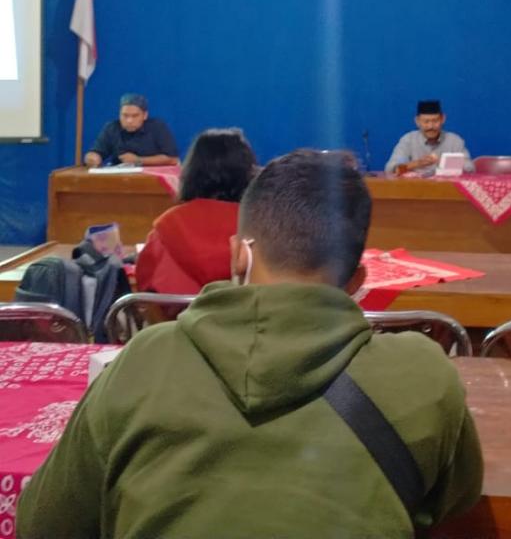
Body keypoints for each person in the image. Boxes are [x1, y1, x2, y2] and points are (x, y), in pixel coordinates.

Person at [18, 150, 483, 539]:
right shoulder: (424, 376)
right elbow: (457, 501)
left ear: (240, 252)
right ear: (359, 280)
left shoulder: (142, 363)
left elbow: (41, 525)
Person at [136, 128, 258, 294]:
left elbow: (146, 285)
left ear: (192, 171)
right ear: (248, 172)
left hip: (181, 318)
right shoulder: (261, 226)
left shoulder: (169, 224)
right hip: (247, 317)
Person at [84, 93, 178, 167]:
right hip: (121, 180)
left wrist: (139, 160)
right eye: (125, 115)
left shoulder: (157, 127)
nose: (129, 121)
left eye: (135, 116)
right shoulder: (112, 128)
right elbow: (96, 152)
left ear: (145, 115)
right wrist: (92, 158)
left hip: (153, 178)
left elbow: (173, 159)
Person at [385, 99, 473, 175]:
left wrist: (444, 164)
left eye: (435, 121)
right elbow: (390, 169)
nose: (431, 126)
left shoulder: (454, 141)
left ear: (443, 119)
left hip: (448, 190)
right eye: (426, 122)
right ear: (417, 121)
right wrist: (416, 164)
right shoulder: (408, 140)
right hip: (415, 190)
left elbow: (470, 169)